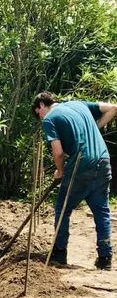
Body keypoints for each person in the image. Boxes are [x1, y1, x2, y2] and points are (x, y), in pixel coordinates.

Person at [32, 92, 117, 269]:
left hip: (81, 165)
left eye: (37, 113)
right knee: (101, 211)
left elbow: (58, 152)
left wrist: (60, 171)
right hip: (103, 160)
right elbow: (112, 108)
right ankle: (105, 258)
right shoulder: (79, 104)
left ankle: (59, 253)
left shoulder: (49, 119)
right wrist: (96, 127)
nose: (39, 118)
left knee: (62, 209)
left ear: (41, 105)